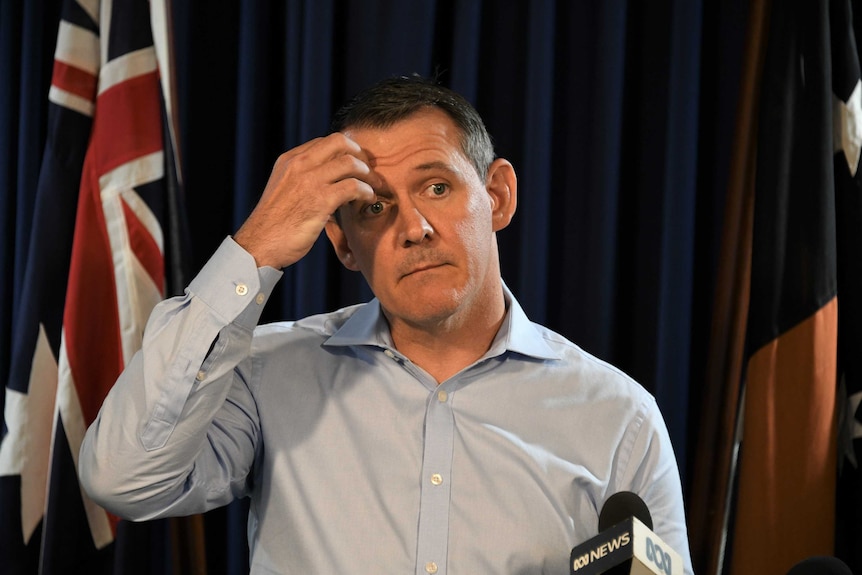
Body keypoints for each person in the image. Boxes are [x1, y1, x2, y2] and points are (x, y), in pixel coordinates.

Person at [79, 75, 694, 574]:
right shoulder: (264, 374)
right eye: (374, 207)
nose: (414, 228)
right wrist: (257, 246)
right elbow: (122, 480)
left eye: (436, 186)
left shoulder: (620, 417)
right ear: (342, 244)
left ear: (498, 195)